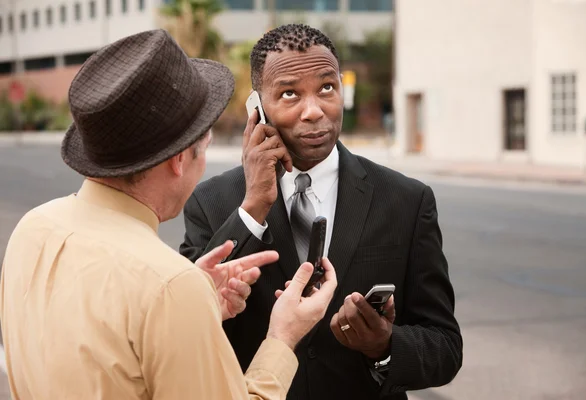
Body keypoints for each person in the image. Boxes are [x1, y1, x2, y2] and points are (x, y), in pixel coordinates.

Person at [0, 29, 337, 400]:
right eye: (204, 147)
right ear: (179, 160)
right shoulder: (170, 286)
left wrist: (190, 301)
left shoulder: (33, 228)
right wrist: (282, 338)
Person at [180, 24, 463, 400]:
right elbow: (187, 326)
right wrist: (253, 208)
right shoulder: (211, 201)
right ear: (258, 108)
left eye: (327, 88)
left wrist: (384, 344)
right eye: (290, 93)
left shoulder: (407, 201)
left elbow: (445, 347)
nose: (314, 111)